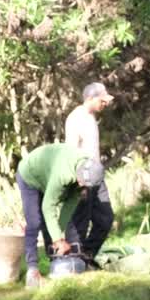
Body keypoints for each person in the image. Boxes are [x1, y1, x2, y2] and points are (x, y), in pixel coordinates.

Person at [16, 144, 105, 289]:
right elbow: (48, 206)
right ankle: (32, 270)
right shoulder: (63, 173)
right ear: (79, 173)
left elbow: (68, 207)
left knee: (49, 224)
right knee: (34, 222)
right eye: (81, 181)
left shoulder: (87, 172)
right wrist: (58, 239)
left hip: (46, 176)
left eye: (85, 184)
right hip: (30, 175)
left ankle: (55, 266)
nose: (82, 184)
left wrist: (59, 235)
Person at [64, 82, 115, 259]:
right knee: (80, 221)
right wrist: (78, 180)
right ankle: (72, 261)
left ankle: (87, 254)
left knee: (105, 218)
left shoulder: (91, 116)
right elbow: (71, 150)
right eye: (102, 100)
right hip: (82, 176)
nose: (105, 104)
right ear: (90, 99)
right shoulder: (76, 118)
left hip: (96, 175)